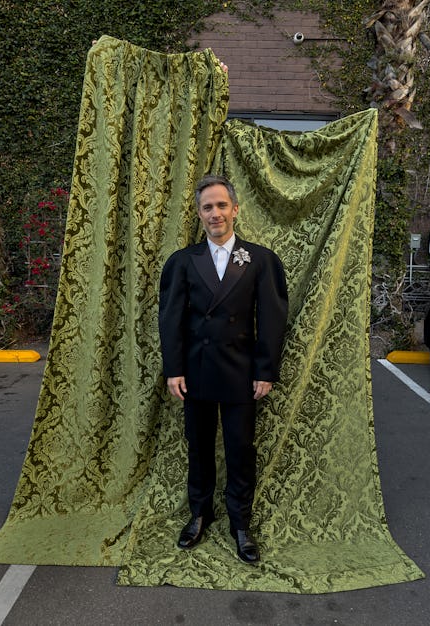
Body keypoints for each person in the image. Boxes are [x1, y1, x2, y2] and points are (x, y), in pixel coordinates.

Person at [159, 175, 288, 563]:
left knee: (240, 449)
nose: (214, 213)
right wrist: (173, 369)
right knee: (198, 448)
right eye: (207, 207)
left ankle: (240, 523)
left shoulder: (261, 259)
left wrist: (265, 370)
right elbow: (171, 319)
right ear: (199, 215)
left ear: (234, 209)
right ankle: (199, 514)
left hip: (241, 373)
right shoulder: (183, 261)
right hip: (195, 371)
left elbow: (272, 319)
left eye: (220, 205)